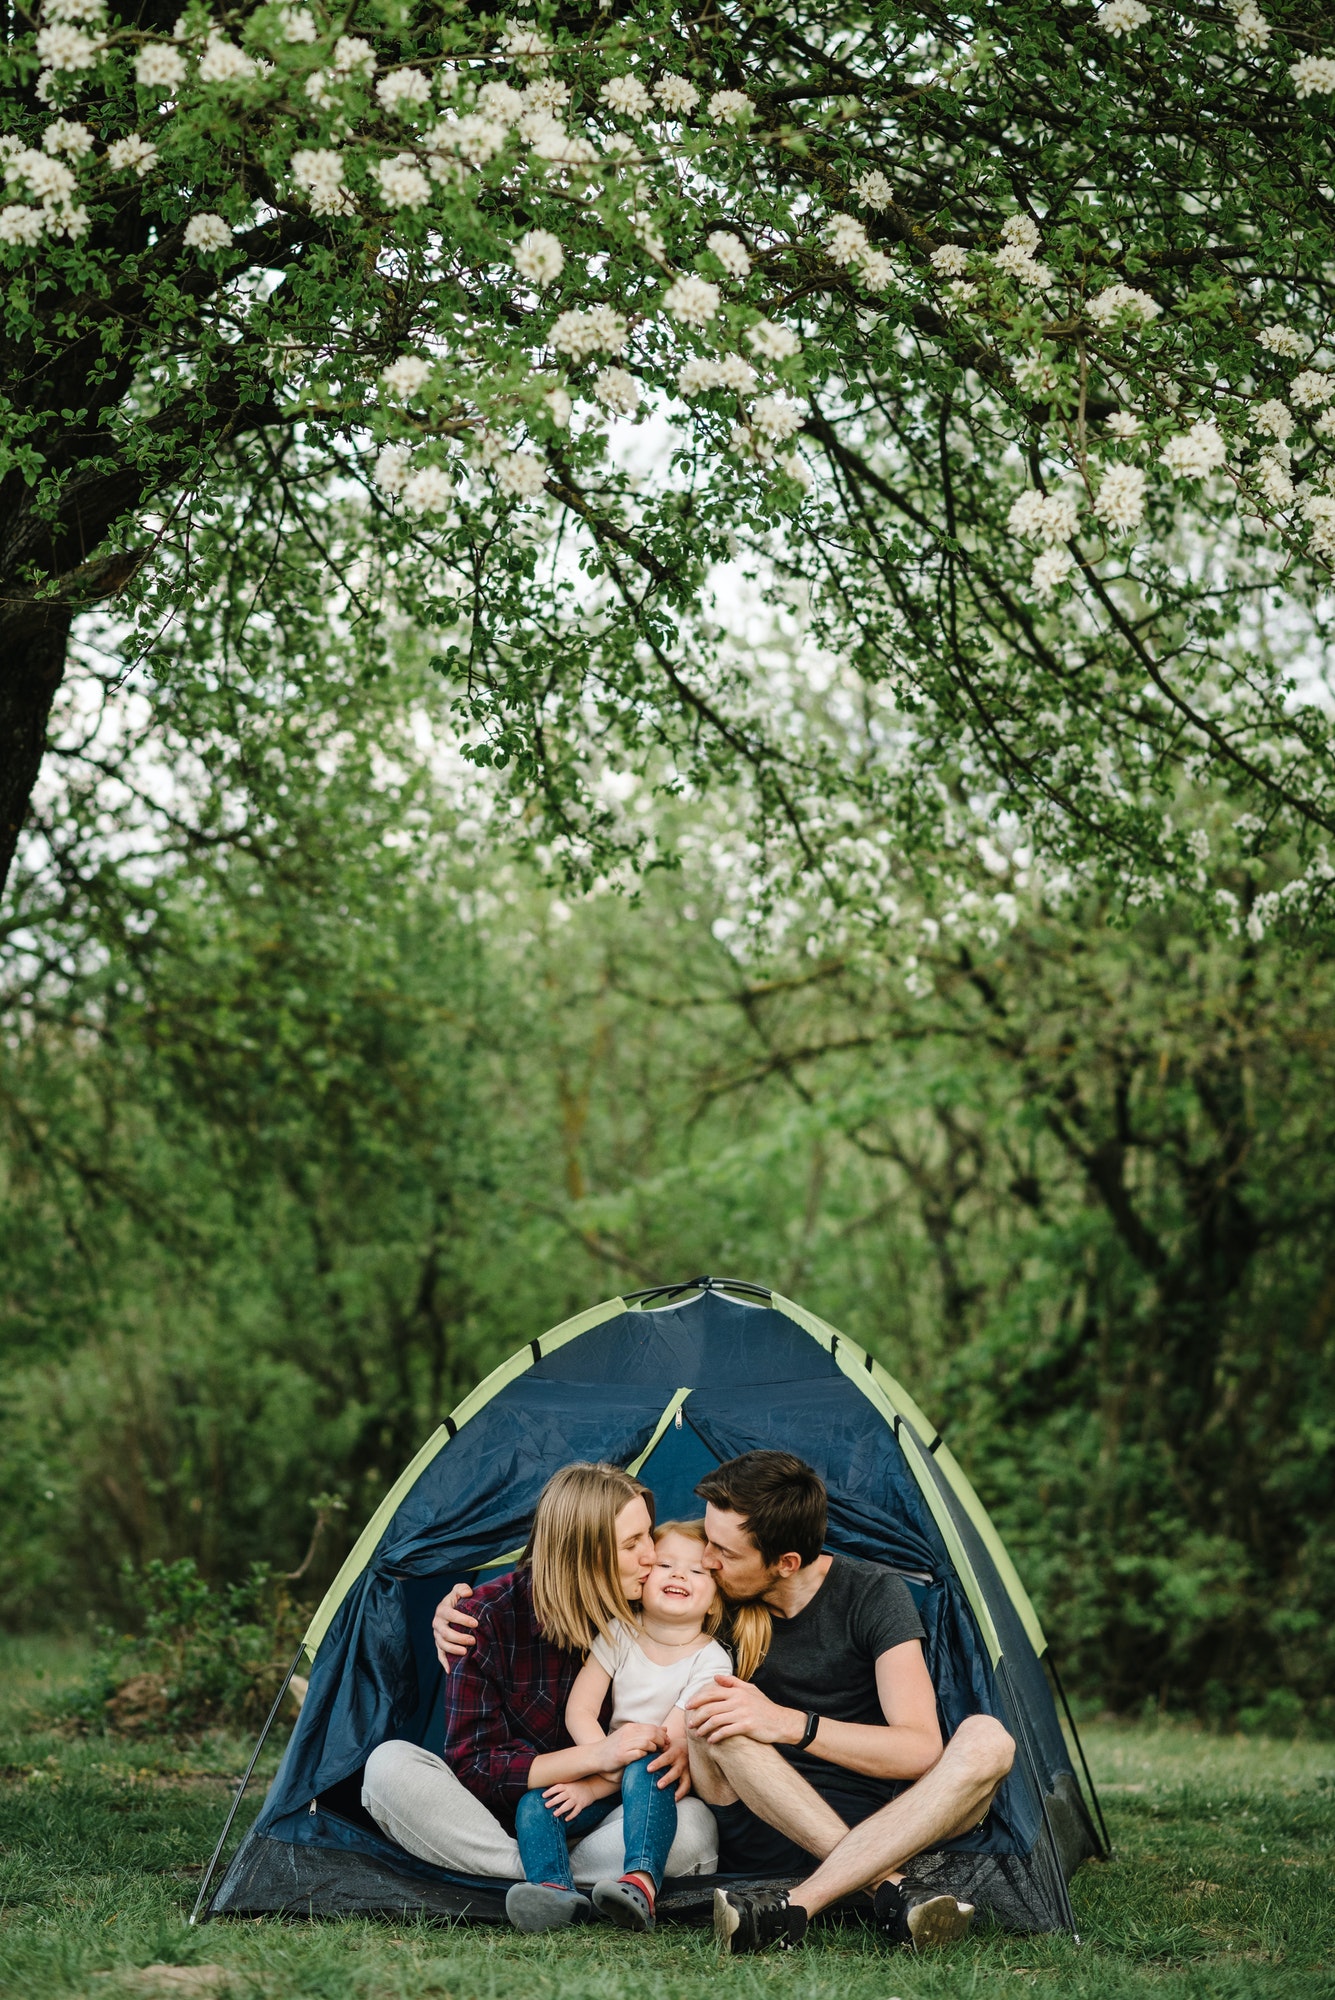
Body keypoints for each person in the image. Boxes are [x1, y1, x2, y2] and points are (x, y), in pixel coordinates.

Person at [682, 1449, 1017, 1954]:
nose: (706, 1559)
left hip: (882, 1820)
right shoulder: (708, 1595)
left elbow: (919, 1749)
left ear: (786, 1563)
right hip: (763, 1820)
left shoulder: (871, 1594)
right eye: (708, 1539)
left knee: (989, 1739)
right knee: (715, 1714)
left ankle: (796, 1906)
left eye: (724, 1552)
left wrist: (790, 1723)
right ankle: (891, 1889)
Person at [361, 1463, 719, 1928]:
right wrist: (600, 1753)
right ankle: (542, 1876)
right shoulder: (483, 1619)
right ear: (583, 1554)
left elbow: (725, 1623)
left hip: (607, 1821)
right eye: (633, 1544)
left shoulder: (655, 1602)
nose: (652, 1555)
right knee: (388, 1767)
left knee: (693, 1826)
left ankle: (546, 1887)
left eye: (647, 1535)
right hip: (495, 1823)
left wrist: (684, 1747)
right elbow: (475, 1767)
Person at [511, 1519, 733, 1933]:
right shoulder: (619, 1634)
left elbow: (667, 1745)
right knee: (537, 1803)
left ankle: (640, 1883)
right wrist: (598, 1763)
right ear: (643, 1582)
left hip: (657, 1786)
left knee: (647, 1763)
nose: (679, 1575)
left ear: (716, 1599)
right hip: (606, 1766)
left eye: (697, 1571)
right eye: (665, 1565)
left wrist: (595, 1784)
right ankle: (553, 1891)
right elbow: (580, 1709)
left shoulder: (712, 1661)